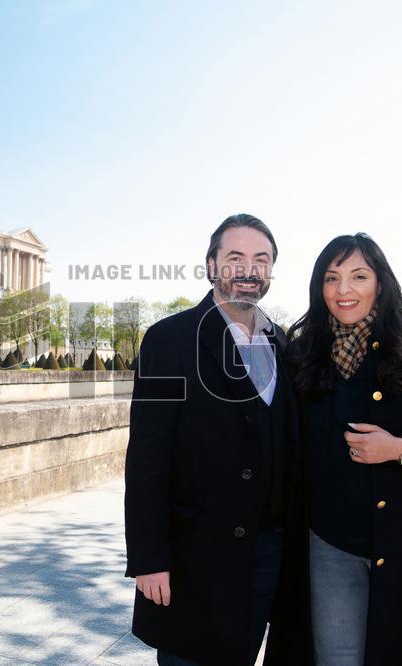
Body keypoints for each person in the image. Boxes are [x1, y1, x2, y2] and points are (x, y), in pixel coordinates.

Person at [124, 214, 308, 665]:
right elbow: (147, 456)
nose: (249, 269)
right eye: (236, 257)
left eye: (261, 260)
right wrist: (149, 558)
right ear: (211, 265)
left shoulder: (284, 345)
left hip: (268, 554)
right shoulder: (168, 339)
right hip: (195, 558)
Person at [287, 233, 402, 665]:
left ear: (381, 282)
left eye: (358, 276)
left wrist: (401, 449)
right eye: (331, 278)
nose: (343, 290)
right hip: (329, 542)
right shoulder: (300, 355)